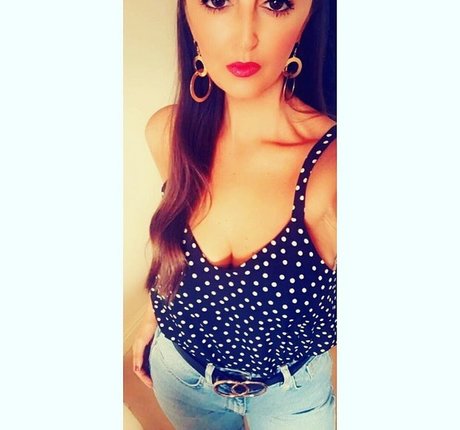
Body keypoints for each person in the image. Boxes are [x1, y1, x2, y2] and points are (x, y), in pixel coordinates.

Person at [132, 0, 337, 428]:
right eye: (218, 1)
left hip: (289, 396)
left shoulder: (334, 173)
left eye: (276, 3)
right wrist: (154, 314)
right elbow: (171, 233)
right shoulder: (168, 133)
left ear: (306, 20)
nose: (245, 38)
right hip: (180, 373)